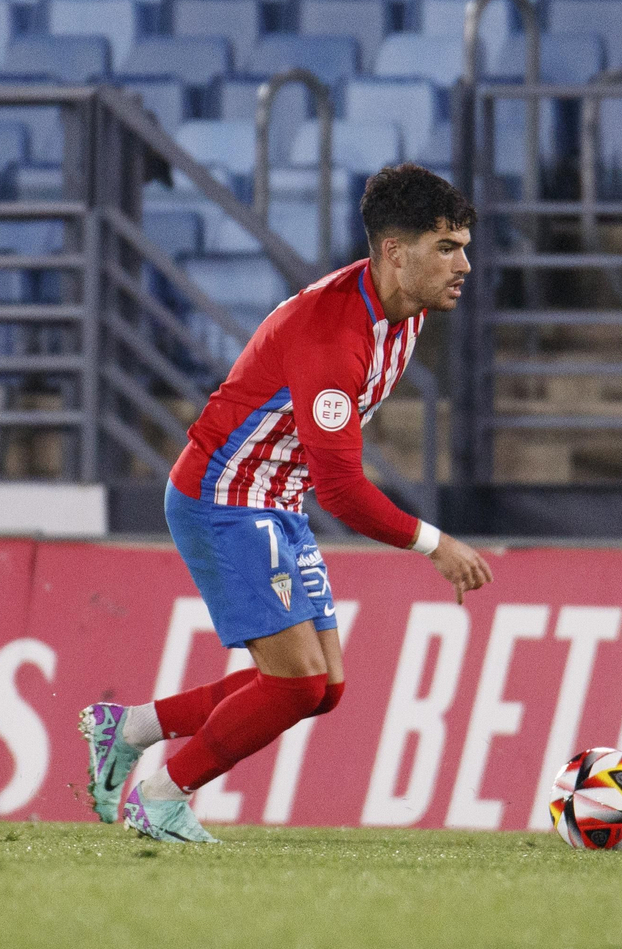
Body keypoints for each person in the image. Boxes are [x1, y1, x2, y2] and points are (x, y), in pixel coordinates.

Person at [80, 163, 494, 844]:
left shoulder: (406, 311)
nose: (465, 265)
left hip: (276, 498)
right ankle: (159, 795)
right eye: (447, 247)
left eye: (463, 246)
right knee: (296, 686)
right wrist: (436, 545)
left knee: (322, 688)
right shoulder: (335, 336)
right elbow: (342, 490)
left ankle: (127, 730)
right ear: (394, 252)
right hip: (225, 497)